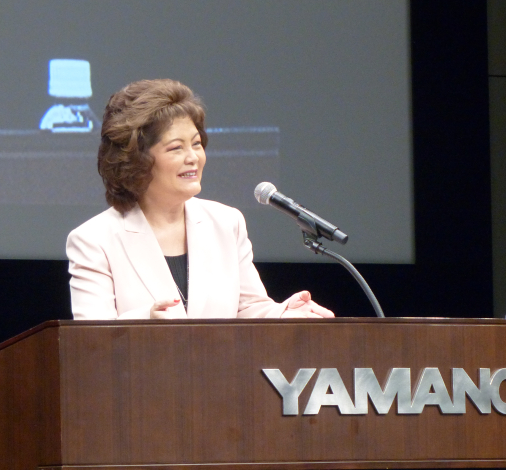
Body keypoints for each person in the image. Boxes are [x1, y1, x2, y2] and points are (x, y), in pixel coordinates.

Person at [66, 79, 334, 320]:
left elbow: (248, 309)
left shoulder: (226, 223)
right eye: (176, 148)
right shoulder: (93, 240)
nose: (193, 157)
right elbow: (90, 339)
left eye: (196, 143)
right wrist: (145, 321)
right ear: (137, 160)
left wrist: (282, 313)